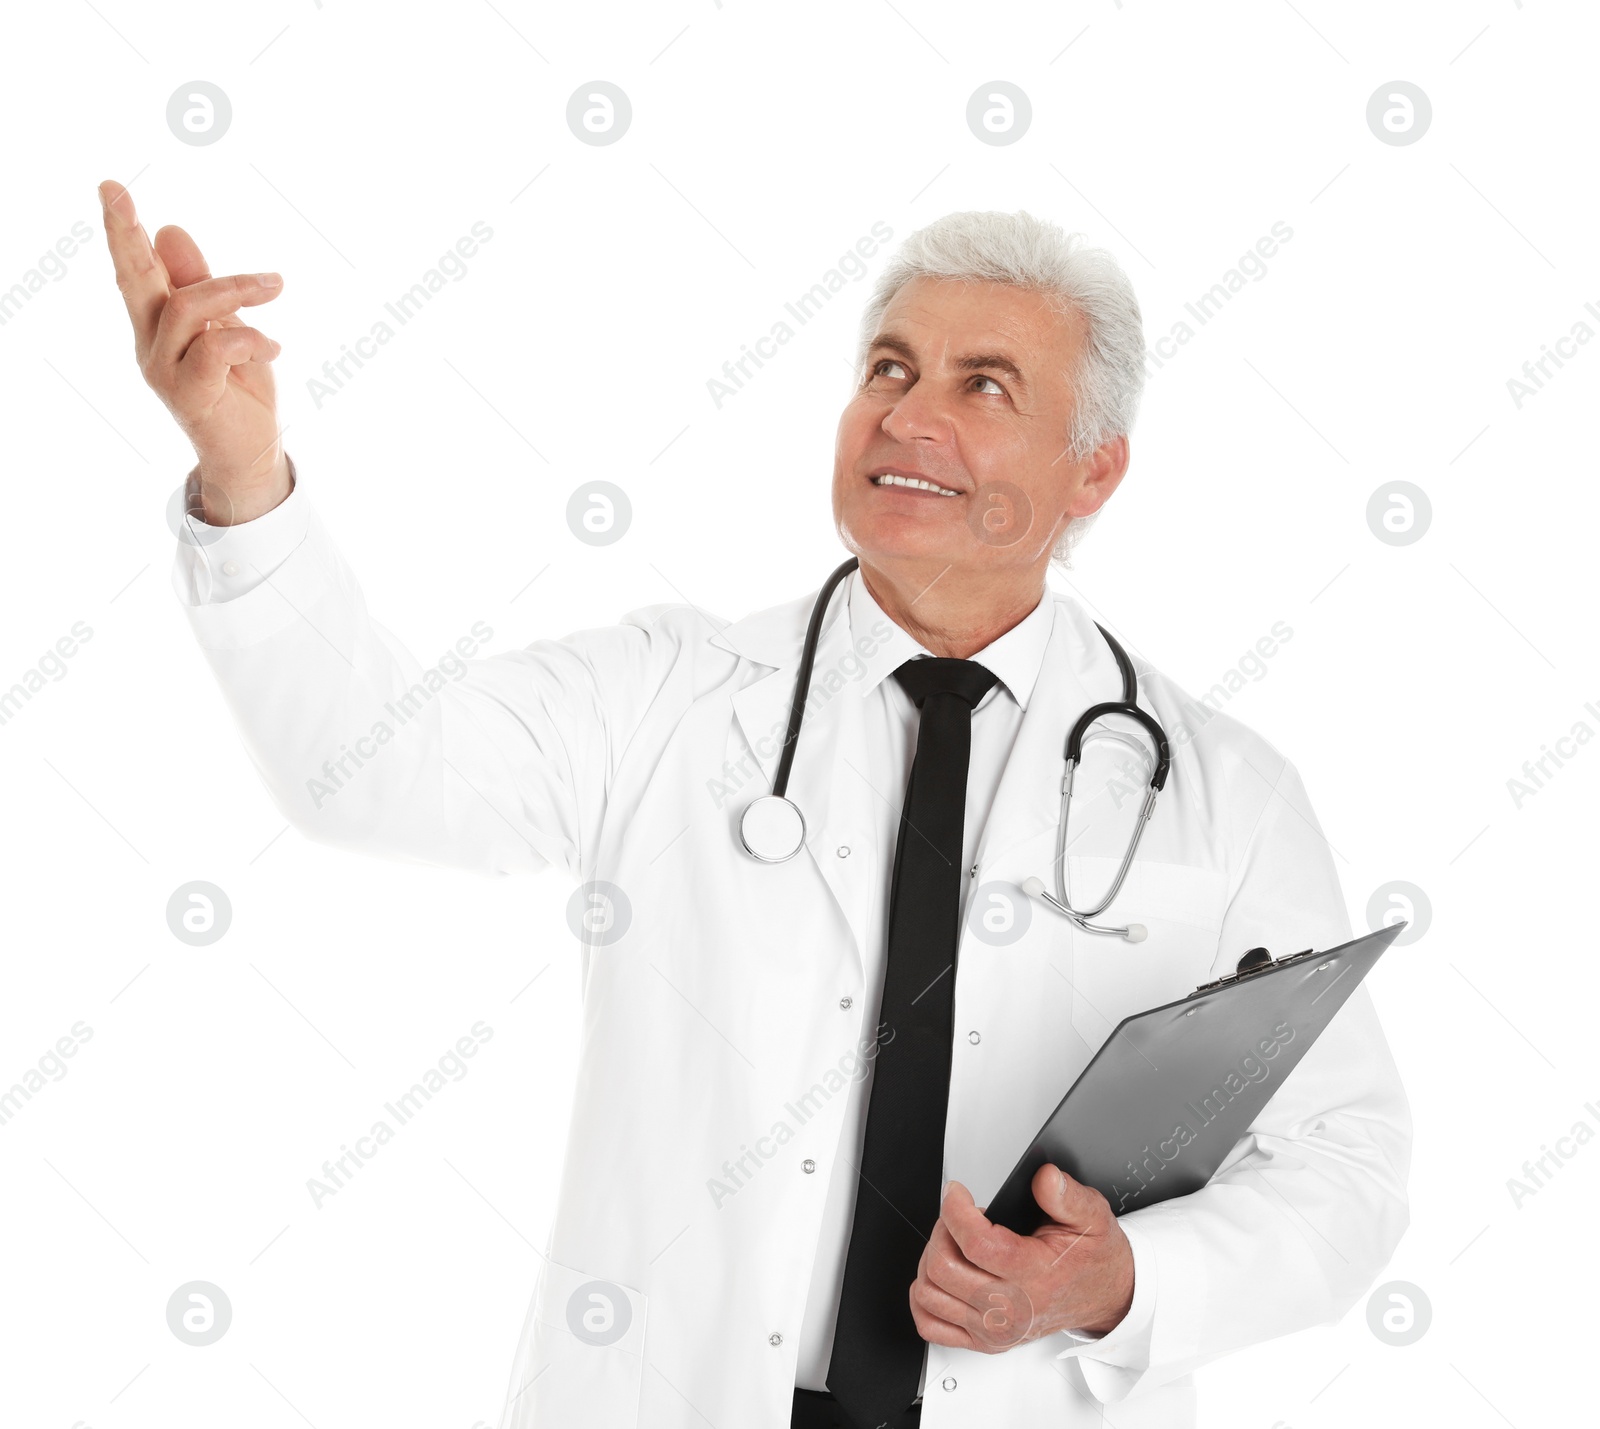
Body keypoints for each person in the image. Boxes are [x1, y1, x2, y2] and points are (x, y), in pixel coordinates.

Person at [98, 180, 1410, 1429]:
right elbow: (369, 767)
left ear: (1094, 473)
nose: (906, 416)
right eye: (888, 368)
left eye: (982, 385)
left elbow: (1344, 1172)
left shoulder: (1224, 795)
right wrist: (242, 472)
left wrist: (1122, 1284)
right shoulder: (671, 696)